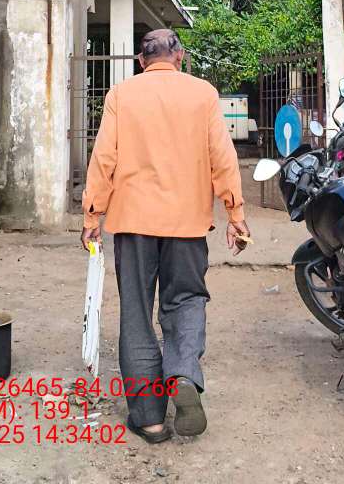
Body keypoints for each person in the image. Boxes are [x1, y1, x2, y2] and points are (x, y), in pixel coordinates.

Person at [81, 28, 250, 443]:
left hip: (133, 223)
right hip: (188, 224)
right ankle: (183, 373)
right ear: (180, 56)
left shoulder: (122, 95)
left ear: (141, 61)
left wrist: (92, 215)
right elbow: (223, 157)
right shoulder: (203, 94)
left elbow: (104, 159)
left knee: (137, 313)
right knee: (186, 300)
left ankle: (150, 419)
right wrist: (235, 213)